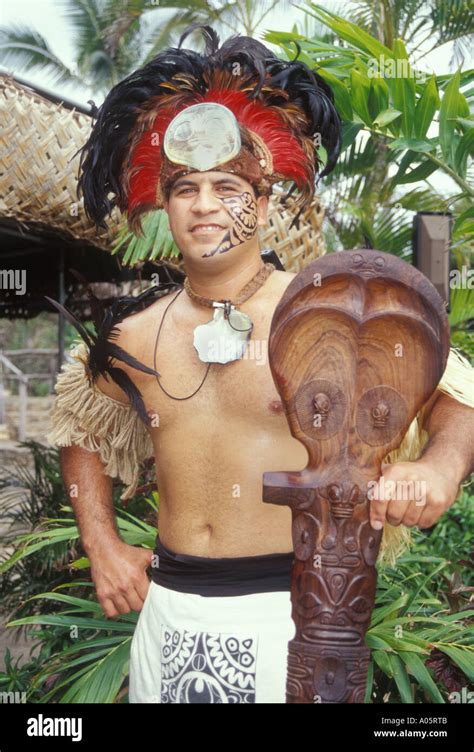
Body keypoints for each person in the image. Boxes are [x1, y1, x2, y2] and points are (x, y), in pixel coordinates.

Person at [47, 26, 474, 704]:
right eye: (185, 187)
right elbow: (79, 423)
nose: (206, 206)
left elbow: (457, 391)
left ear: (267, 199)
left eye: (228, 186)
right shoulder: (134, 334)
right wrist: (101, 542)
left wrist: (437, 469)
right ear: (163, 202)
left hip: (295, 615)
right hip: (169, 614)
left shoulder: (327, 314)